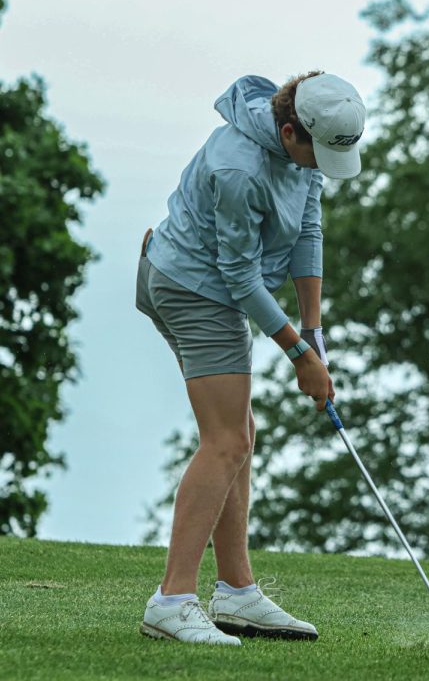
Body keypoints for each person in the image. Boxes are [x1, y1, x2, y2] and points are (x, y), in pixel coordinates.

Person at [134, 72, 365, 645]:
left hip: (206, 283)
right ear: (290, 131)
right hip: (192, 287)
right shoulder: (237, 168)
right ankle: (172, 600)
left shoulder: (307, 145)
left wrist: (313, 330)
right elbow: (238, 276)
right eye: (314, 156)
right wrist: (297, 356)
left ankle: (236, 593)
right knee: (227, 442)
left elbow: (309, 225)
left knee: (237, 434)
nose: (318, 170)